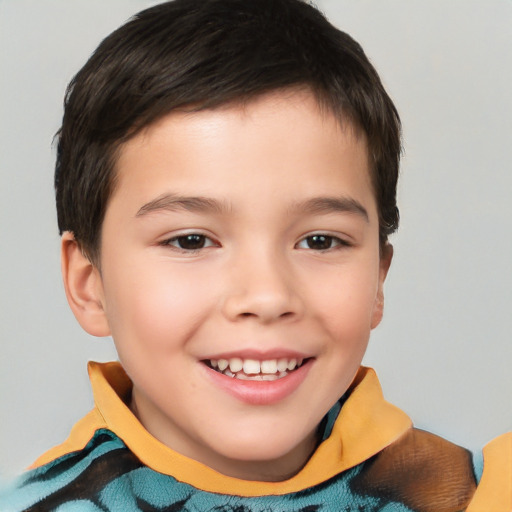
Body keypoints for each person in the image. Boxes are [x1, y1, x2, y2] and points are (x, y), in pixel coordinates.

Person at [1, 0, 510, 510]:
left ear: (378, 278)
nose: (267, 297)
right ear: (90, 283)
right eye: (191, 240)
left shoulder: (480, 495)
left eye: (320, 240)